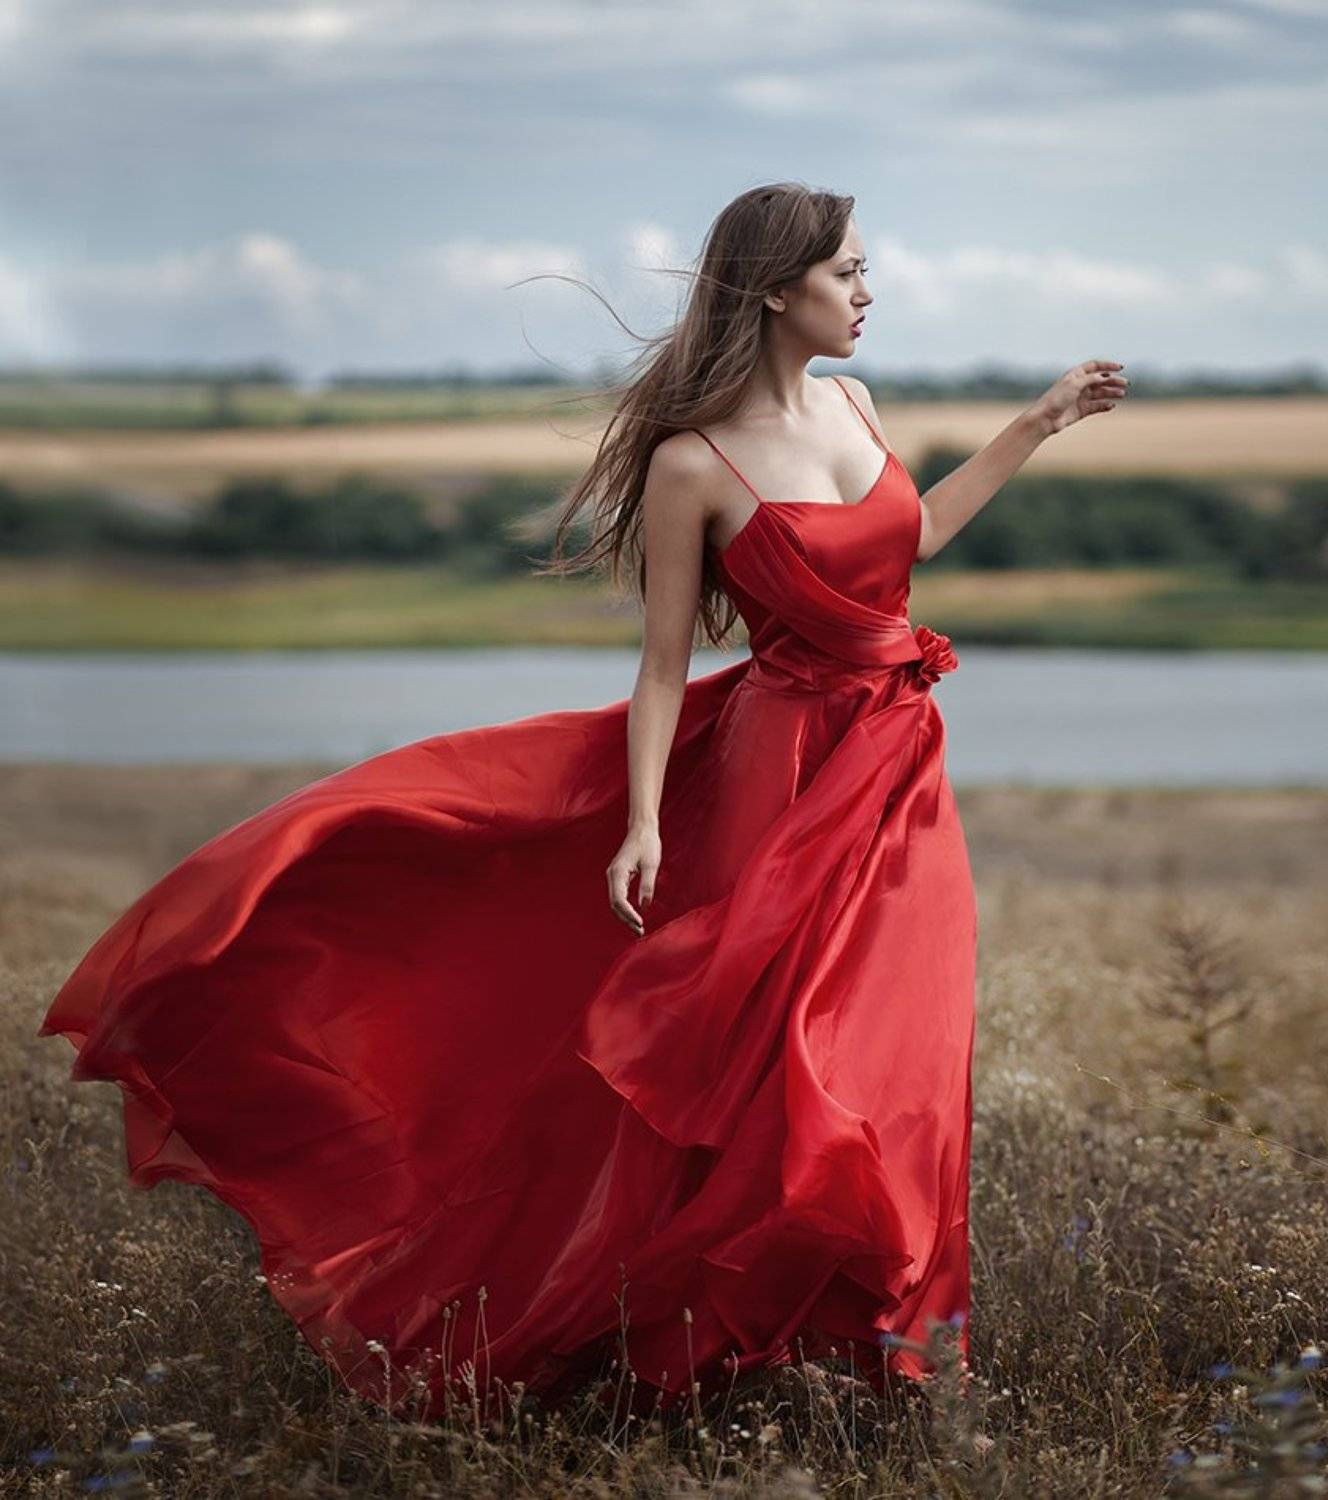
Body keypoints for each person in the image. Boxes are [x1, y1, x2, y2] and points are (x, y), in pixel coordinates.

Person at [36, 181, 1126, 1422]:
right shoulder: (691, 464)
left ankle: (880, 1344)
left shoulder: (857, 405)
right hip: (774, 778)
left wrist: (1038, 422)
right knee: (763, 1063)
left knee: (902, 1052)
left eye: (868, 272)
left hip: (896, 770)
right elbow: (663, 665)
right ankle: (701, 1349)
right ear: (778, 290)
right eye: (850, 273)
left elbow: (912, 537)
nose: (870, 294)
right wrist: (647, 820)